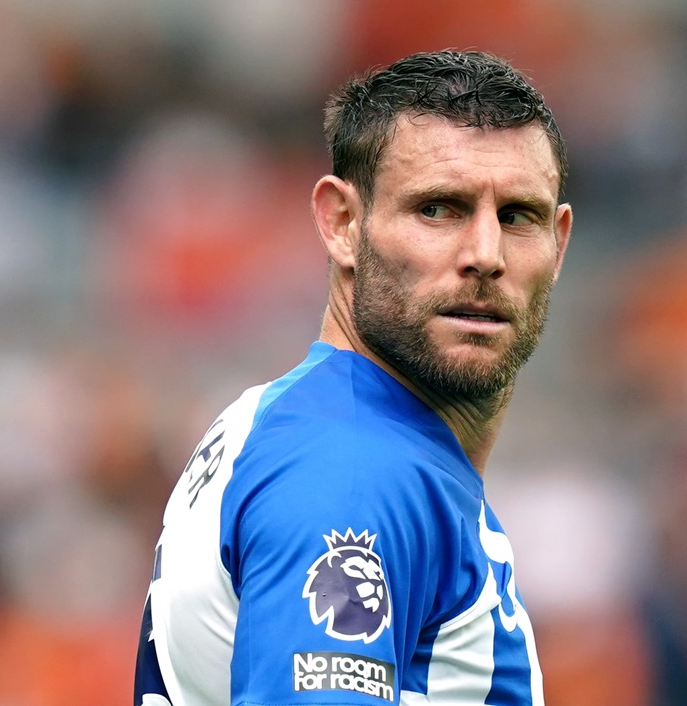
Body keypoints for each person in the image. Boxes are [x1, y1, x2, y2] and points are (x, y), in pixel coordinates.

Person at [133, 49, 573, 706]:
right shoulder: (350, 474)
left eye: (517, 216)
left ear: (559, 243)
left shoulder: (307, 426)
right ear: (342, 223)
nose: (485, 255)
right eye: (438, 209)